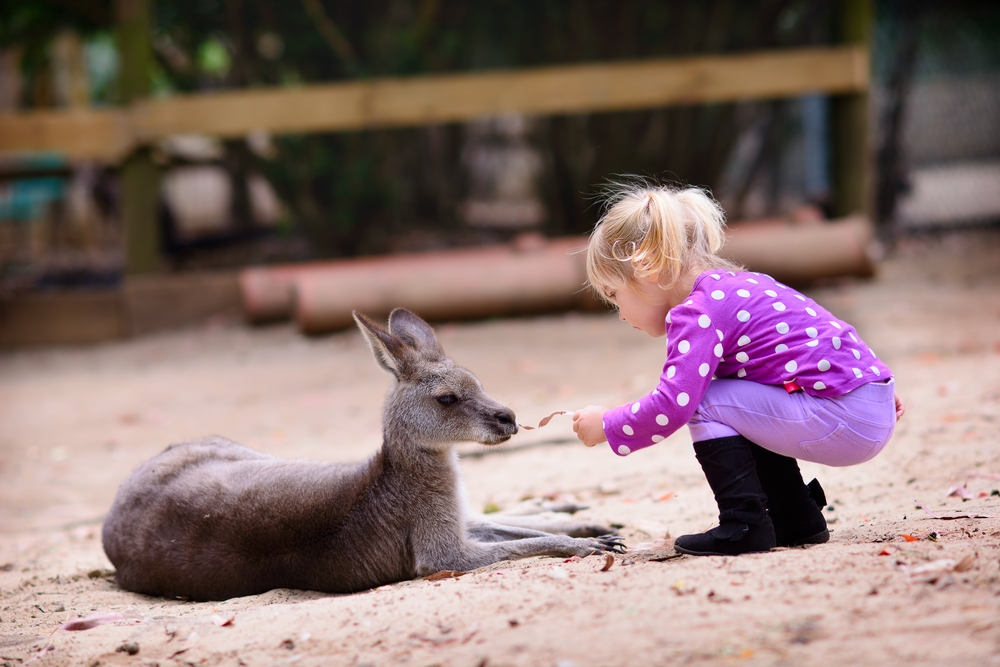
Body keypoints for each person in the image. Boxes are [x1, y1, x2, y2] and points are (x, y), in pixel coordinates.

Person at [572, 180, 904, 557]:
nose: (619, 314)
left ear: (648, 268)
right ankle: (797, 518)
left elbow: (673, 404)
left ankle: (743, 523)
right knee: (735, 398)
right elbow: (824, 333)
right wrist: (877, 388)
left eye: (615, 295)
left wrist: (609, 425)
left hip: (844, 416)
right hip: (871, 399)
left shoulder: (697, 313)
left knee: (704, 400)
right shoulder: (742, 287)